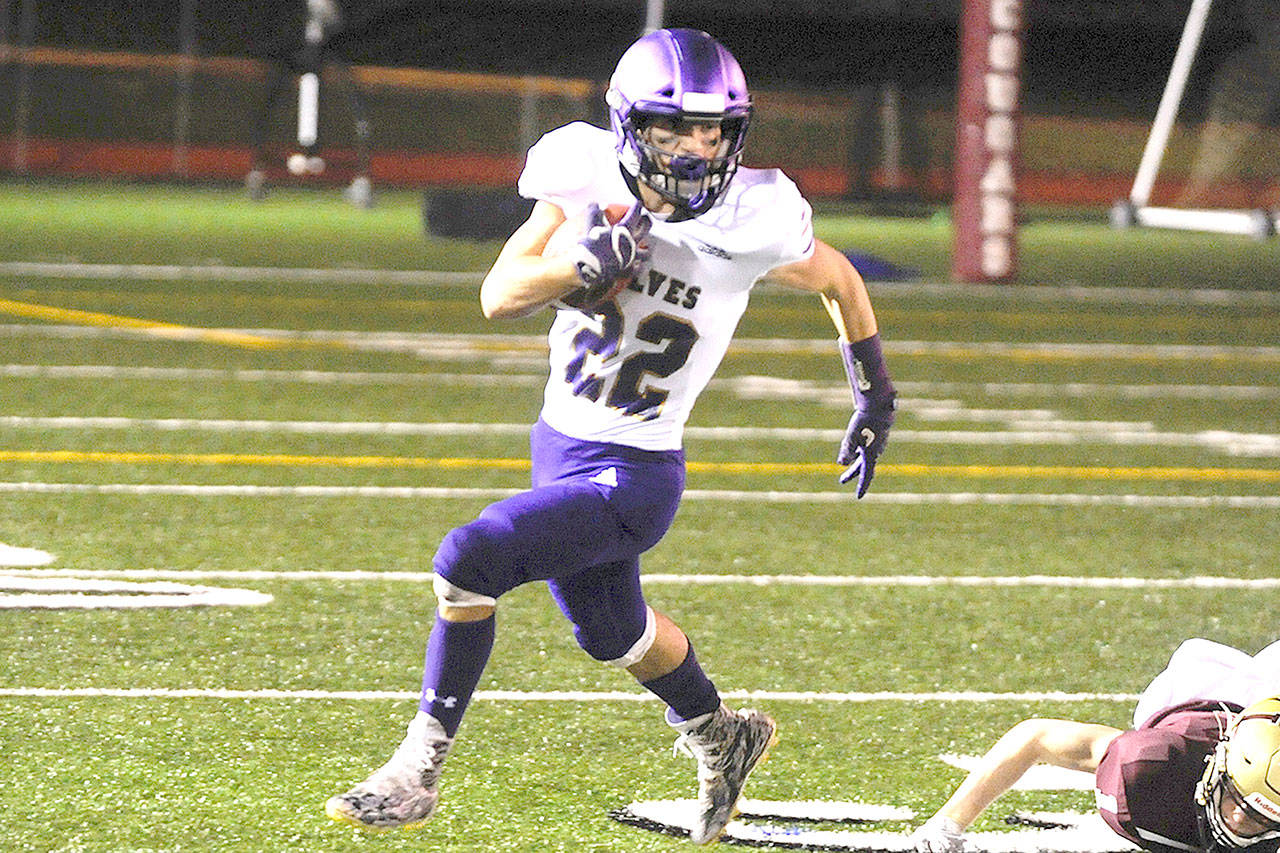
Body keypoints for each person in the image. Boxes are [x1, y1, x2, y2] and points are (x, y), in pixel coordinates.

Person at [325, 27, 897, 845]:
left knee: (468, 557)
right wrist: (578, 265)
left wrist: (874, 389)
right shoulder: (582, 170)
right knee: (614, 632)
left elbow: (837, 276)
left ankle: (416, 769)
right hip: (559, 441)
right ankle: (721, 732)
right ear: (632, 126)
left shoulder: (756, 214)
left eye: (713, 130)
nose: (698, 149)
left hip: (637, 472)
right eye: (674, 129)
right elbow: (501, 292)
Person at [912, 638, 1280, 853]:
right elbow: (1035, 736)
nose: (1237, 820)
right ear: (1217, 769)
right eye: (1237, 800)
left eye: (1261, 818)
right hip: (1214, 690)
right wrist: (947, 826)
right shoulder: (1150, 766)